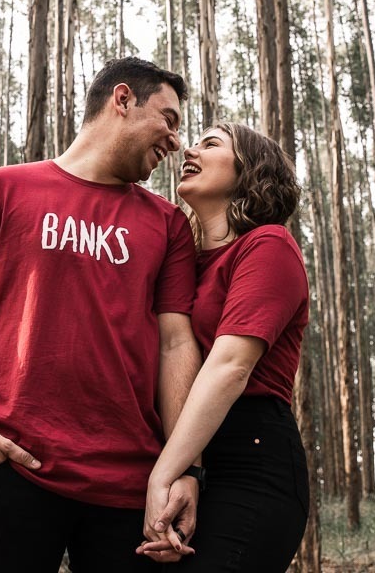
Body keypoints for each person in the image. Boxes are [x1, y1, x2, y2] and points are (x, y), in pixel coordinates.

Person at [0, 57, 202, 573]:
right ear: (122, 100)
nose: (175, 141)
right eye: (168, 119)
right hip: (12, 468)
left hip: (130, 487)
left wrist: (186, 468)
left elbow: (176, 345)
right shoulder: (0, 190)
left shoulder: (168, 225)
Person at [138, 122, 310, 571]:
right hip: (183, 451)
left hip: (249, 457)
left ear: (250, 170)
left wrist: (167, 473)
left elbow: (230, 366)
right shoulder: (184, 261)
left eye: (210, 144)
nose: (188, 149)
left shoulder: (268, 245)